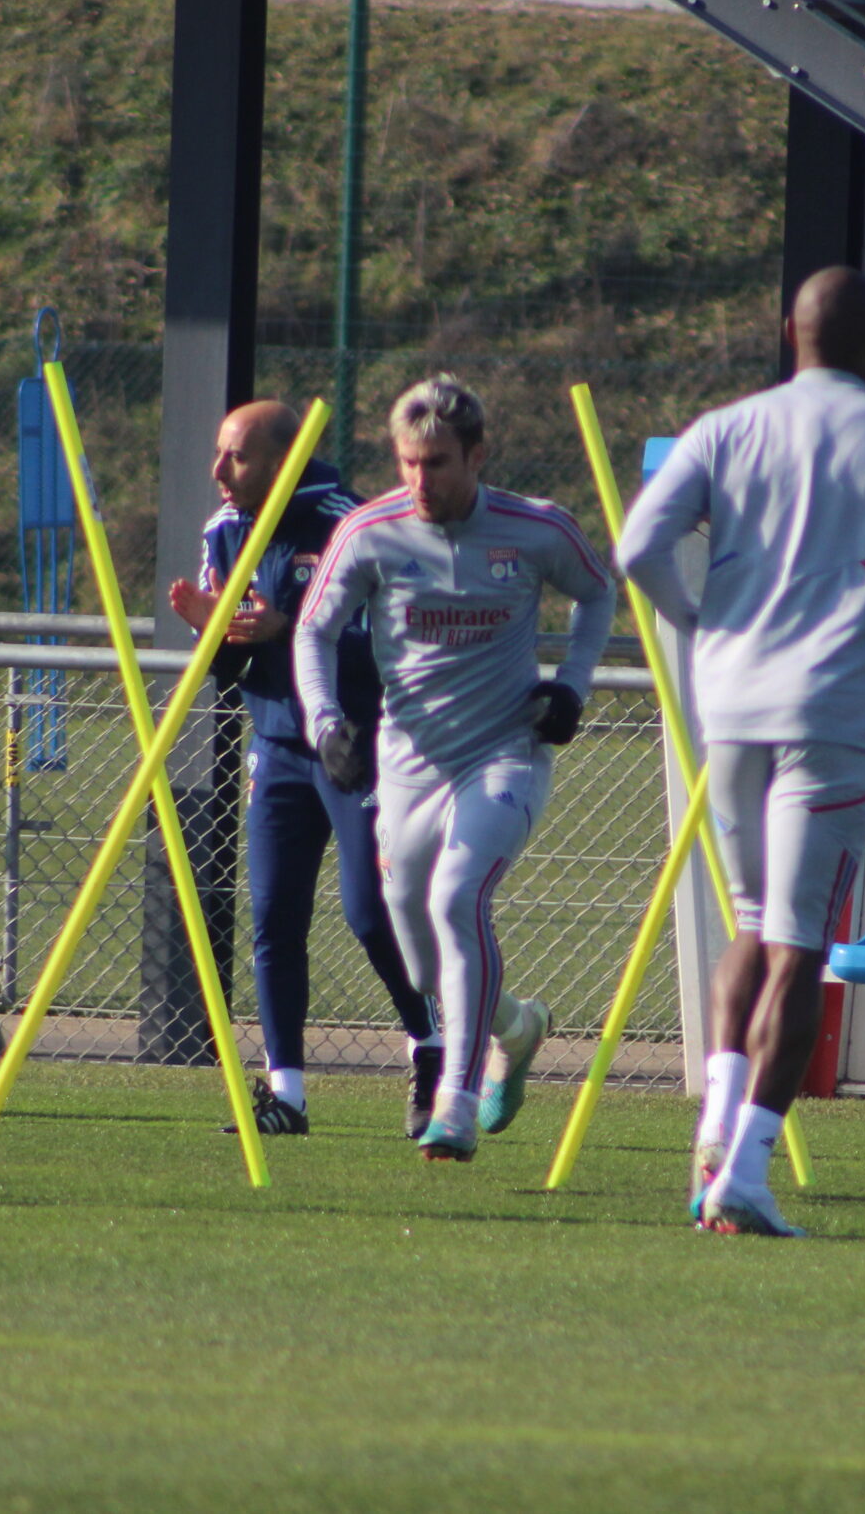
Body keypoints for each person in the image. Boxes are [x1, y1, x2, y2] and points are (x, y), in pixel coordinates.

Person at [619, 267, 865, 1236]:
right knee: (798, 945)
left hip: (729, 703)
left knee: (750, 926)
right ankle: (743, 1170)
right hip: (830, 711)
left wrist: (695, 618)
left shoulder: (723, 427)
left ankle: (715, 1124)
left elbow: (637, 545)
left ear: (790, 332)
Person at [293, 376, 616, 1161]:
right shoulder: (370, 531)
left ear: (477, 456)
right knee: (420, 952)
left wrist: (571, 686)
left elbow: (598, 591)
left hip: (503, 755)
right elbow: (313, 630)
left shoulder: (535, 527)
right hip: (407, 769)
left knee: (457, 893)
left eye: (436, 462)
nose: (419, 481)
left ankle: (457, 1105)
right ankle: (515, 1023)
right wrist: (326, 722)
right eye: (407, 462)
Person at [167, 401, 442, 1139]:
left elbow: (387, 636)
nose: (219, 470)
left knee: (367, 907)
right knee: (273, 916)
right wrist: (214, 628)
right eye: (220, 453)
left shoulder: (347, 520)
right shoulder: (224, 530)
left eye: (239, 456)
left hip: (358, 738)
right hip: (279, 743)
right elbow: (231, 664)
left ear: (286, 459)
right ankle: (285, 1092)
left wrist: (288, 627)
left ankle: (430, 1042)